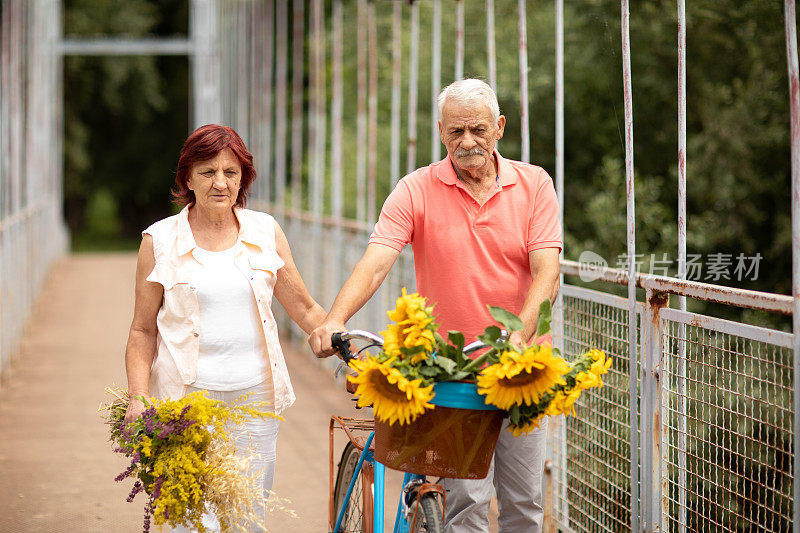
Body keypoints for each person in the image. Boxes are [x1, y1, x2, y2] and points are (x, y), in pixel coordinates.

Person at [309, 78, 562, 532]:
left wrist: (519, 335)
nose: (467, 142)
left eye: (478, 130)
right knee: (466, 504)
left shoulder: (535, 184)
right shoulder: (416, 189)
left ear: (499, 127)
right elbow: (376, 261)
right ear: (441, 133)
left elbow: (547, 272)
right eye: (456, 131)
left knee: (525, 505)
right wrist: (334, 319)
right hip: (453, 373)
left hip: (523, 368)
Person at [124, 124, 326, 530]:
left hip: (255, 403)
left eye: (231, 173)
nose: (221, 183)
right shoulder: (159, 241)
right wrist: (138, 396)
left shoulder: (264, 232)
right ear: (187, 179)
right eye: (208, 172)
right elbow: (142, 331)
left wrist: (348, 349)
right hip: (185, 404)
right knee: (192, 522)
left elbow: (304, 308)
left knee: (246, 519)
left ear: (243, 178)